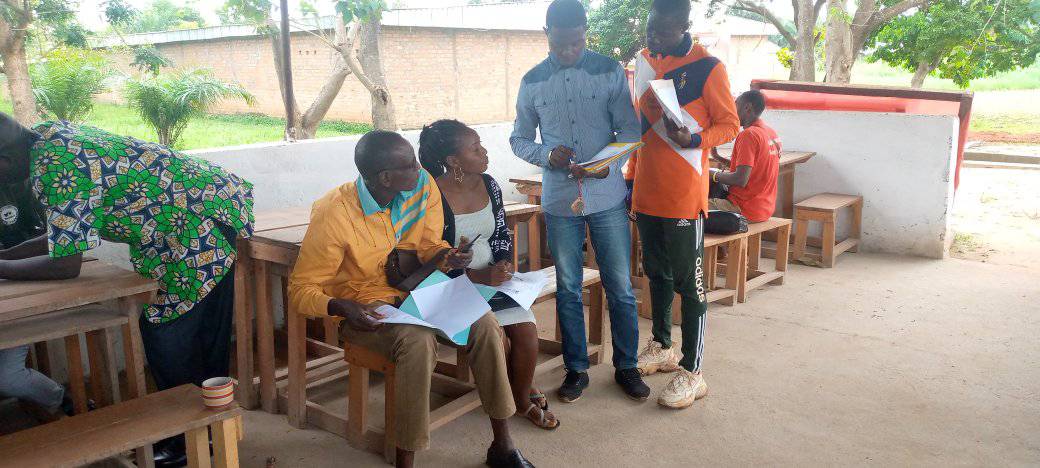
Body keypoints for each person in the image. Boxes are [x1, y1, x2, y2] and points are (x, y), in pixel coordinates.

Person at [0, 113, 254, 467]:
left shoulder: (56, 167)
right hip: (190, 218)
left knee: (172, 336)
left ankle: (192, 441)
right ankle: (205, 436)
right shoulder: (46, 138)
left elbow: (65, 264)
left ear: (5, 161)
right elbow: (66, 232)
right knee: (189, 335)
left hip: (198, 225)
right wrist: (7, 255)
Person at [288, 130, 535, 468]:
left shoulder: (422, 187)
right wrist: (341, 306)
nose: (420, 169)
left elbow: (429, 247)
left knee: (485, 324)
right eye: (410, 165)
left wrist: (450, 256)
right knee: (417, 342)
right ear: (385, 177)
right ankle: (407, 458)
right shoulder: (335, 213)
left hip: (418, 293)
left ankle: (502, 445)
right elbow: (301, 290)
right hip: (365, 307)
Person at [510, 0, 649, 404]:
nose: (569, 51)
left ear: (585, 33)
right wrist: (544, 155)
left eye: (577, 42)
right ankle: (576, 369)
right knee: (569, 287)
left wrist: (609, 164)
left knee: (620, 287)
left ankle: (627, 367)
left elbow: (628, 130)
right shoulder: (532, 81)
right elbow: (519, 138)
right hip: (559, 200)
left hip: (606, 196)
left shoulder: (608, 70)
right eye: (561, 44)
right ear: (546, 33)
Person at [625, 0, 740, 409]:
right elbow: (640, 129)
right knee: (654, 272)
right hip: (646, 191)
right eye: (650, 29)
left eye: (663, 31)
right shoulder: (642, 61)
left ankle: (693, 371)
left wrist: (695, 139)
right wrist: (629, 178)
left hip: (683, 195)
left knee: (689, 286)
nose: (653, 39)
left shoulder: (708, 68)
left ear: (685, 26)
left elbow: (730, 125)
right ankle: (661, 345)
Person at [419, 119, 560, 430]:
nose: (484, 152)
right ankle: (520, 396)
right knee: (498, 337)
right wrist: (477, 277)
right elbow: (429, 259)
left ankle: (520, 396)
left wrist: (503, 264)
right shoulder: (430, 195)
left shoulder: (489, 183)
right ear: (453, 161)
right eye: (475, 148)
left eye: (481, 144)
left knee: (525, 331)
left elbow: (499, 233)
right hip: (450, 287)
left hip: (489, 279)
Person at [0, 179, 73, 422]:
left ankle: (59, 399)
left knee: (9, 377)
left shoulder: (23, 185)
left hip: (17, 293)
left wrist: (6, 260)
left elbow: (54, 245)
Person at [709, 90, 783, 223]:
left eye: (735, 105)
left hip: (742, 208)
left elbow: (740, 179)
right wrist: (717, 157)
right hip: (764, 207)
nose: (731, 110)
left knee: (692, 207)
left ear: (747, 107)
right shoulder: (770, 133)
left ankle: (716, 244)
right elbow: (755, 168)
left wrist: (710, 174)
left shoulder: (749, 135)